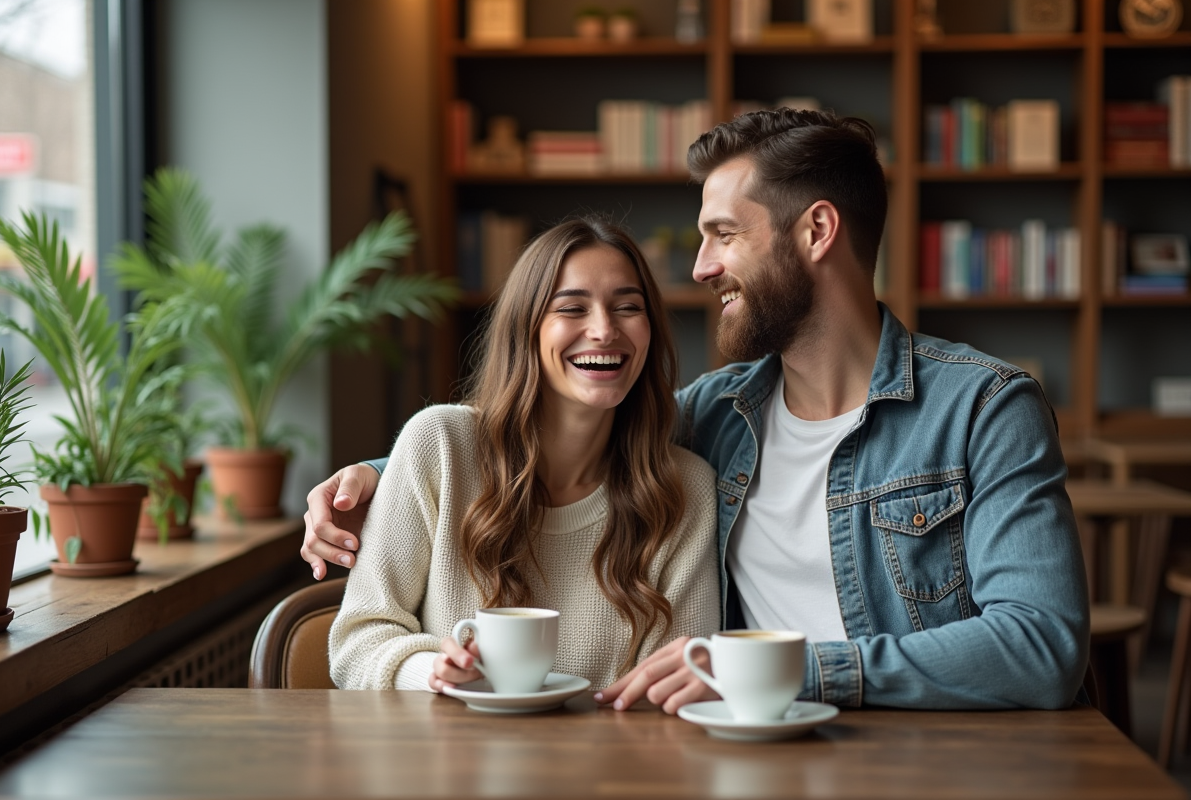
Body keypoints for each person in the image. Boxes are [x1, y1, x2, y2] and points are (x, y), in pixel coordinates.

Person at [308, 109, 1089, 711]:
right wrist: (374, 481)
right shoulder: (719, 415)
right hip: (746, 754)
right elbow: (561, 432)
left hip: (932, 757)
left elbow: (1042, 647)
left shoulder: (984, 408)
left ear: (817, 231)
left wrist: (788, 670)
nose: (700, 266)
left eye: (722, 235)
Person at [327, 217, 719, 693]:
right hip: (449, 757)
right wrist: (435, 673)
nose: (603, 329)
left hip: (612, 763)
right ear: (525, 329)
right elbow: (356, 642)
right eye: (572, 308)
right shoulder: (439, 447)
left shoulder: (686, 488)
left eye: (628, 307)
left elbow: (676, 688)